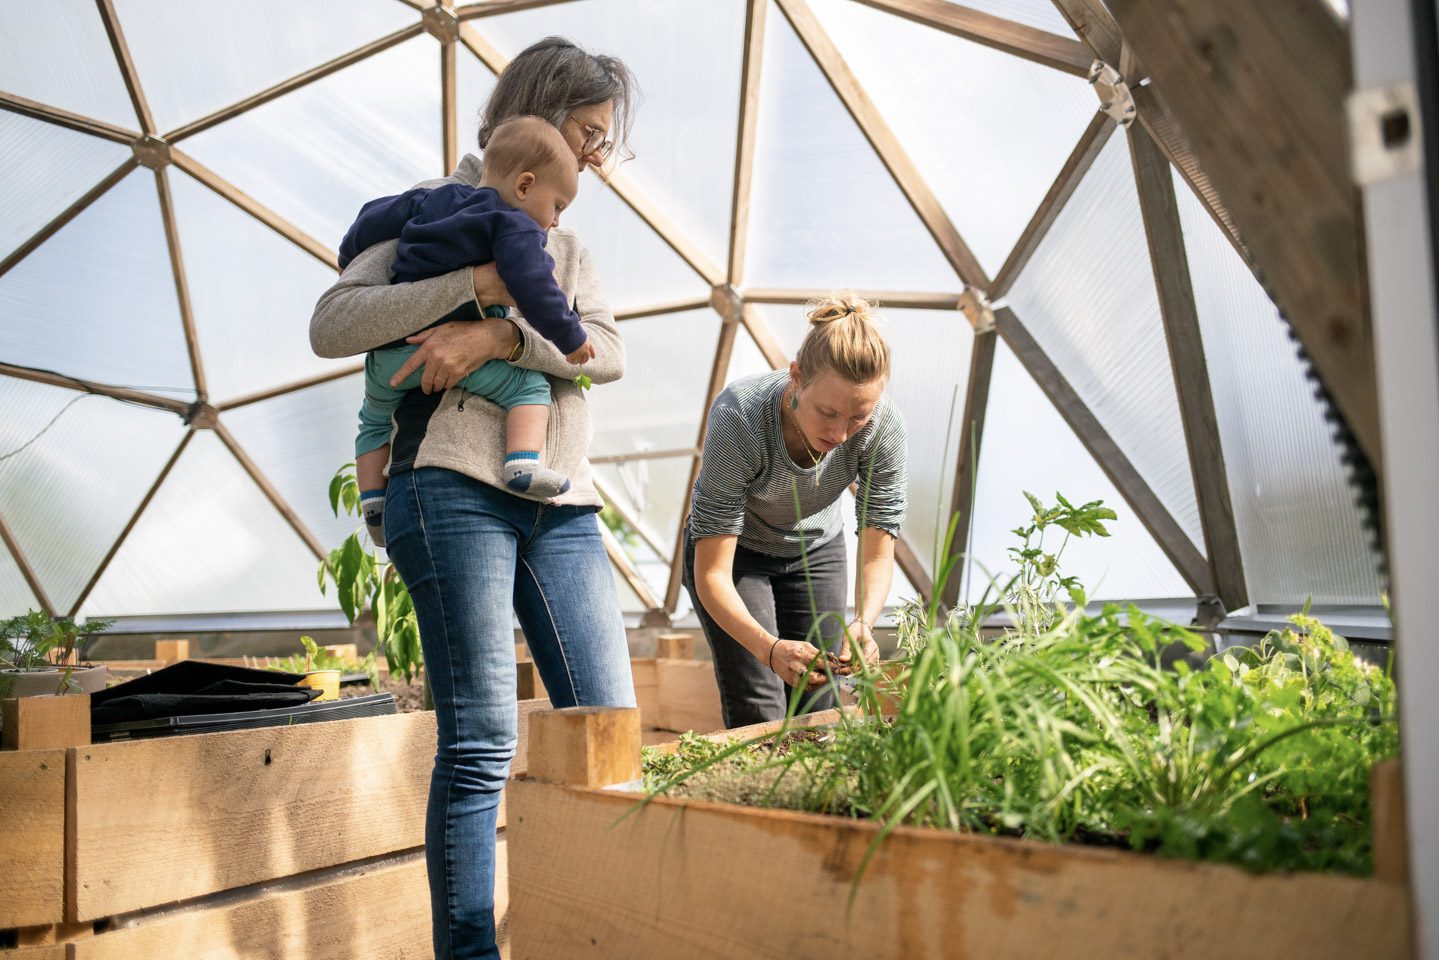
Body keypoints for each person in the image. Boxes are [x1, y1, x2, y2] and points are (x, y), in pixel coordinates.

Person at [309, 36, 637, 960]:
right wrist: (473, 286)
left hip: (560, 502)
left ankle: (595, 935)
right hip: (450, 488)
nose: (599, 156)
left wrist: (500, 343)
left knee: (605, 727)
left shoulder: (564, 237)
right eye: (589, 133)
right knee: (484, 739)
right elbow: (333, 323)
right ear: (536, 117)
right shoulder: (424, 214)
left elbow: (604, 352)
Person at [340, 116, 596, 546]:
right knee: (529, 389)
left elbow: (373, 216)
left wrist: (348, 255)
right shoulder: (514, 226)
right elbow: (534, 287)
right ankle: (522, 466)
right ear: (525, 186)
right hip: (449, 351)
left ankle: (373, 502)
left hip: (388, 355)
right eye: (557, 206)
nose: (553, 222)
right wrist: (570, 336)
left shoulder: (432, 200)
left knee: (373, 421)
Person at [683, 293, 908, 729]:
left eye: (858, 417)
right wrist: (768, 648)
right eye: (828, 413)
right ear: (797, 378)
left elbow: (879, 548)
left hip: (817, 550)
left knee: (821, 703)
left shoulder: (884, 428)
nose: (841, 433)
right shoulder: (741, 416)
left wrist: (864, 620)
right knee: (760, 706)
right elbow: (712, 573)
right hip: (737, 555)